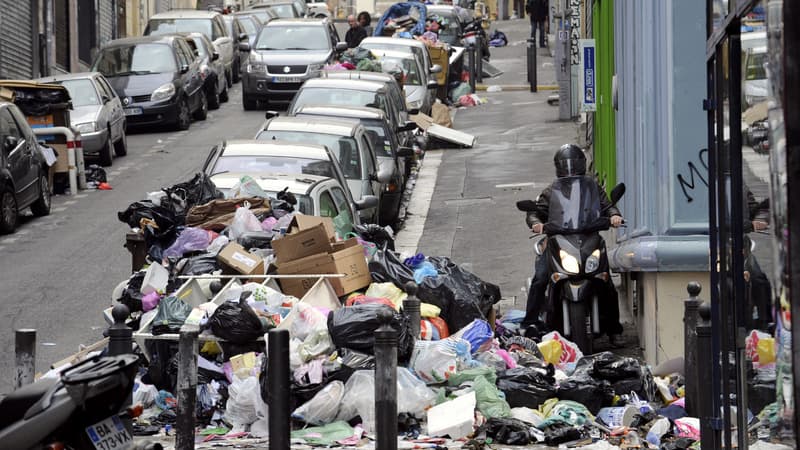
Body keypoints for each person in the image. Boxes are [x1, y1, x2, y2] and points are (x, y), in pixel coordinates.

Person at [521, 144, 625, 342]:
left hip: (589, 238)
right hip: (558, 240)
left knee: (606, 282)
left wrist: (614, 216)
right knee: (541, 278)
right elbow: (535, 211)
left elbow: (608, 206)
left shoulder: (593, 187)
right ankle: (530, 324)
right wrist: (536, 223)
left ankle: (614, 329)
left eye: (574, 163)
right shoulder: (551, 191)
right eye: (565, 164)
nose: (570, 167)